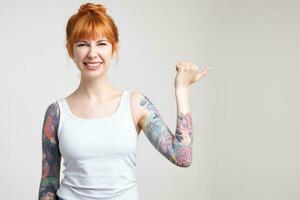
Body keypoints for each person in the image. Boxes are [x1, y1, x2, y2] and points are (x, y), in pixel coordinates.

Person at [38, 2, 211, 200]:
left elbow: (182, 157)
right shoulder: (56, 112)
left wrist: (181, 91)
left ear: (114, 48)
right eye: (83, 44)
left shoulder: (135, 104)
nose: (92, 53)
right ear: (71, 50)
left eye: (101, 43)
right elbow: (48, 183)